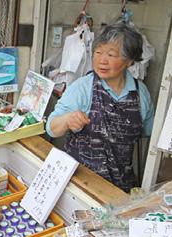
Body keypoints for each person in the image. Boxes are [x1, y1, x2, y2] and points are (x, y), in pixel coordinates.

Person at [46, 23, 154, 193]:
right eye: (98, 52)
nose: (102, 60)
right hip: (78, 185)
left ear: (130, 61)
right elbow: (52, 128)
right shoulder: (83, 87)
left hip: (119, 189)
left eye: (111, 55)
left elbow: (148, 134)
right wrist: (67, 120)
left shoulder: (141, 94)